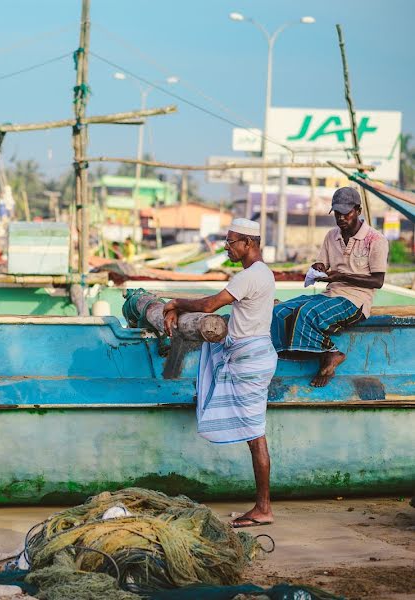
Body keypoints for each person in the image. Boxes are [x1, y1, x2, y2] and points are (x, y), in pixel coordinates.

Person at [163, 219, 277, 528]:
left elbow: (209, 305)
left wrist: (175, 303)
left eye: (231, 242)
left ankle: (263, 508)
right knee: (256, 434)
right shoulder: (261, 273)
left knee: (256, 436)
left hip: (250, 362)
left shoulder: (249, 276)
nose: (226, 247)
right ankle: (262, 506)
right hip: (253, 357)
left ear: (247, 244)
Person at [271, 187, 388, 387]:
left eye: (346, 213)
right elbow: (322, 265)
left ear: (358, 211)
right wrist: (319, 268)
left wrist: (342, 276)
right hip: (331, 294)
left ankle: (331, 353)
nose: (341, 218)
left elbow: (378, 281)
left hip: (355, 300)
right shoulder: (331, 236)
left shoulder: (376, 240)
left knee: (306, 313)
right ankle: (305, 355)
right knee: (279, 311)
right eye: (337, 214)